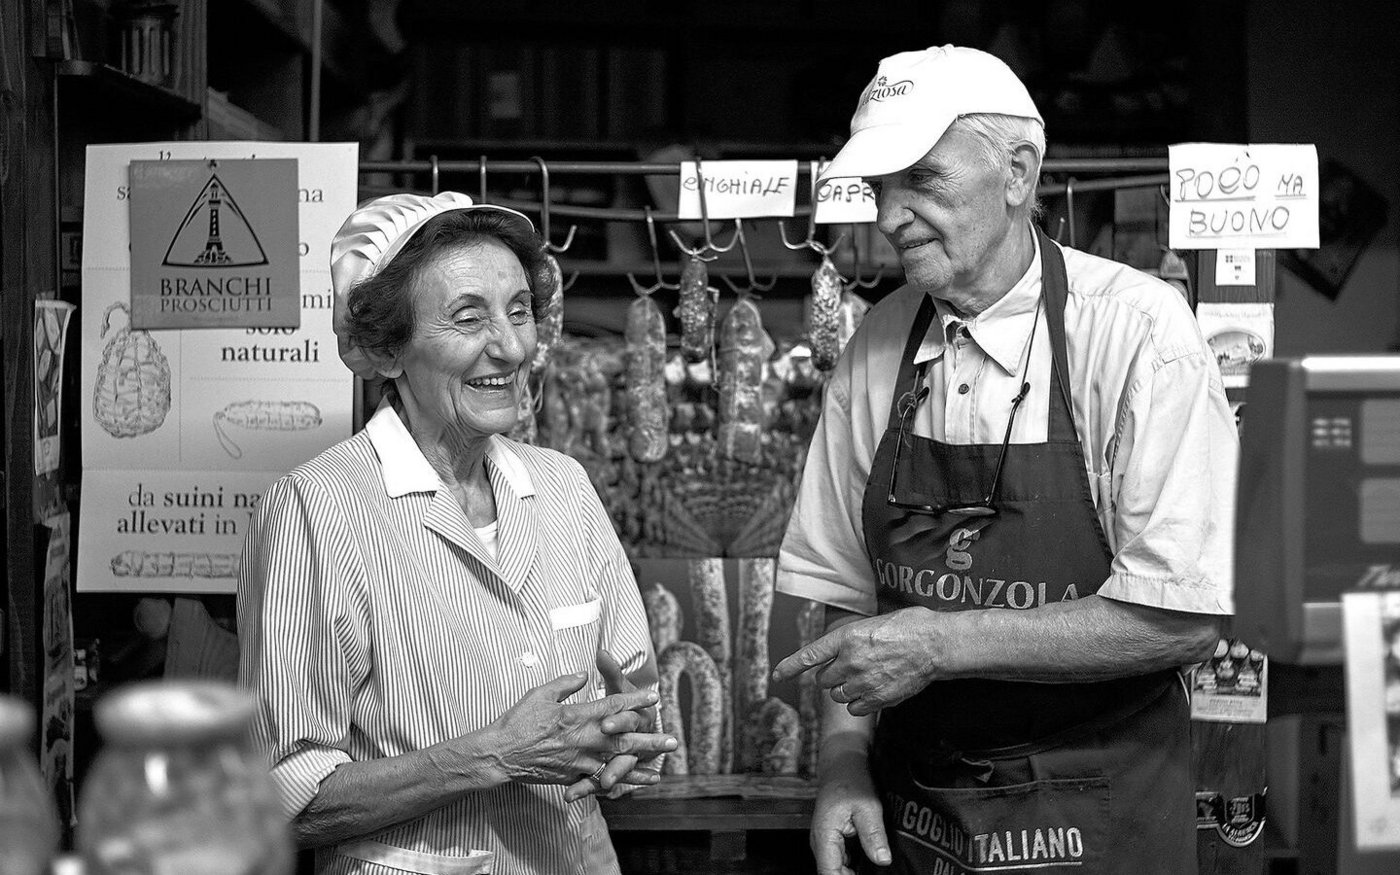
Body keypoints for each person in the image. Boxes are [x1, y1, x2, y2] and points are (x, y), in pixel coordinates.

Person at [771, 46, 1238, 874]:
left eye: (921, 180)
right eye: (880, 189)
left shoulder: (1136, 334)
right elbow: (844, 599)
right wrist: (843, 763)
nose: (889, 217)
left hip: (1100, 812)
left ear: (1018, 170)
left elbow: (1184, 619)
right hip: (921, 818)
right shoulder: (878, 343)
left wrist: (941, 644)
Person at [237, 191, 676, 875]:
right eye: (469, 317)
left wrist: (627, 740)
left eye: (520, 311)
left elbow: (635, 694)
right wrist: (495, 754)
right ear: (386, 350)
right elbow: (279, 796)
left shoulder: (564, 487)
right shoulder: (316, 510)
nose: (510, 345)